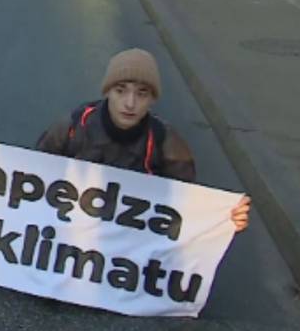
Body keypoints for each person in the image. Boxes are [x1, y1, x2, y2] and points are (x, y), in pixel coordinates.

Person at [35, 48, 251, 232]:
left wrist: (224, 217)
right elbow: (34, 176)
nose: (130, 103)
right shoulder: (73, 126)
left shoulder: (167, 143)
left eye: (142, 94)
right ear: (107, 91)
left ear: (152, 99)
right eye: (121, 91)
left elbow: (184, 206)